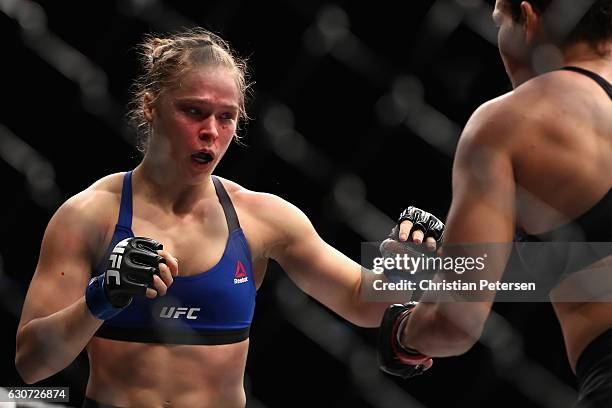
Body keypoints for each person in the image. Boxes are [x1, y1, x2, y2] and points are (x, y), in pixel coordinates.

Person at [14, 28, 443, 408]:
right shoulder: (89, 215)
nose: (211, 133)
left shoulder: (262, 218)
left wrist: (406, 267)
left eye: (226, 117)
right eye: (194, 111)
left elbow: (357, 299)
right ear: (150, 107)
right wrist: (102, 295)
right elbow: (30, 365)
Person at [378, 0, 612, 406]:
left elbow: (455, 323)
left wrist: (400, 331)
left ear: (530, 20)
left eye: (500, 23)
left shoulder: (512, 120)